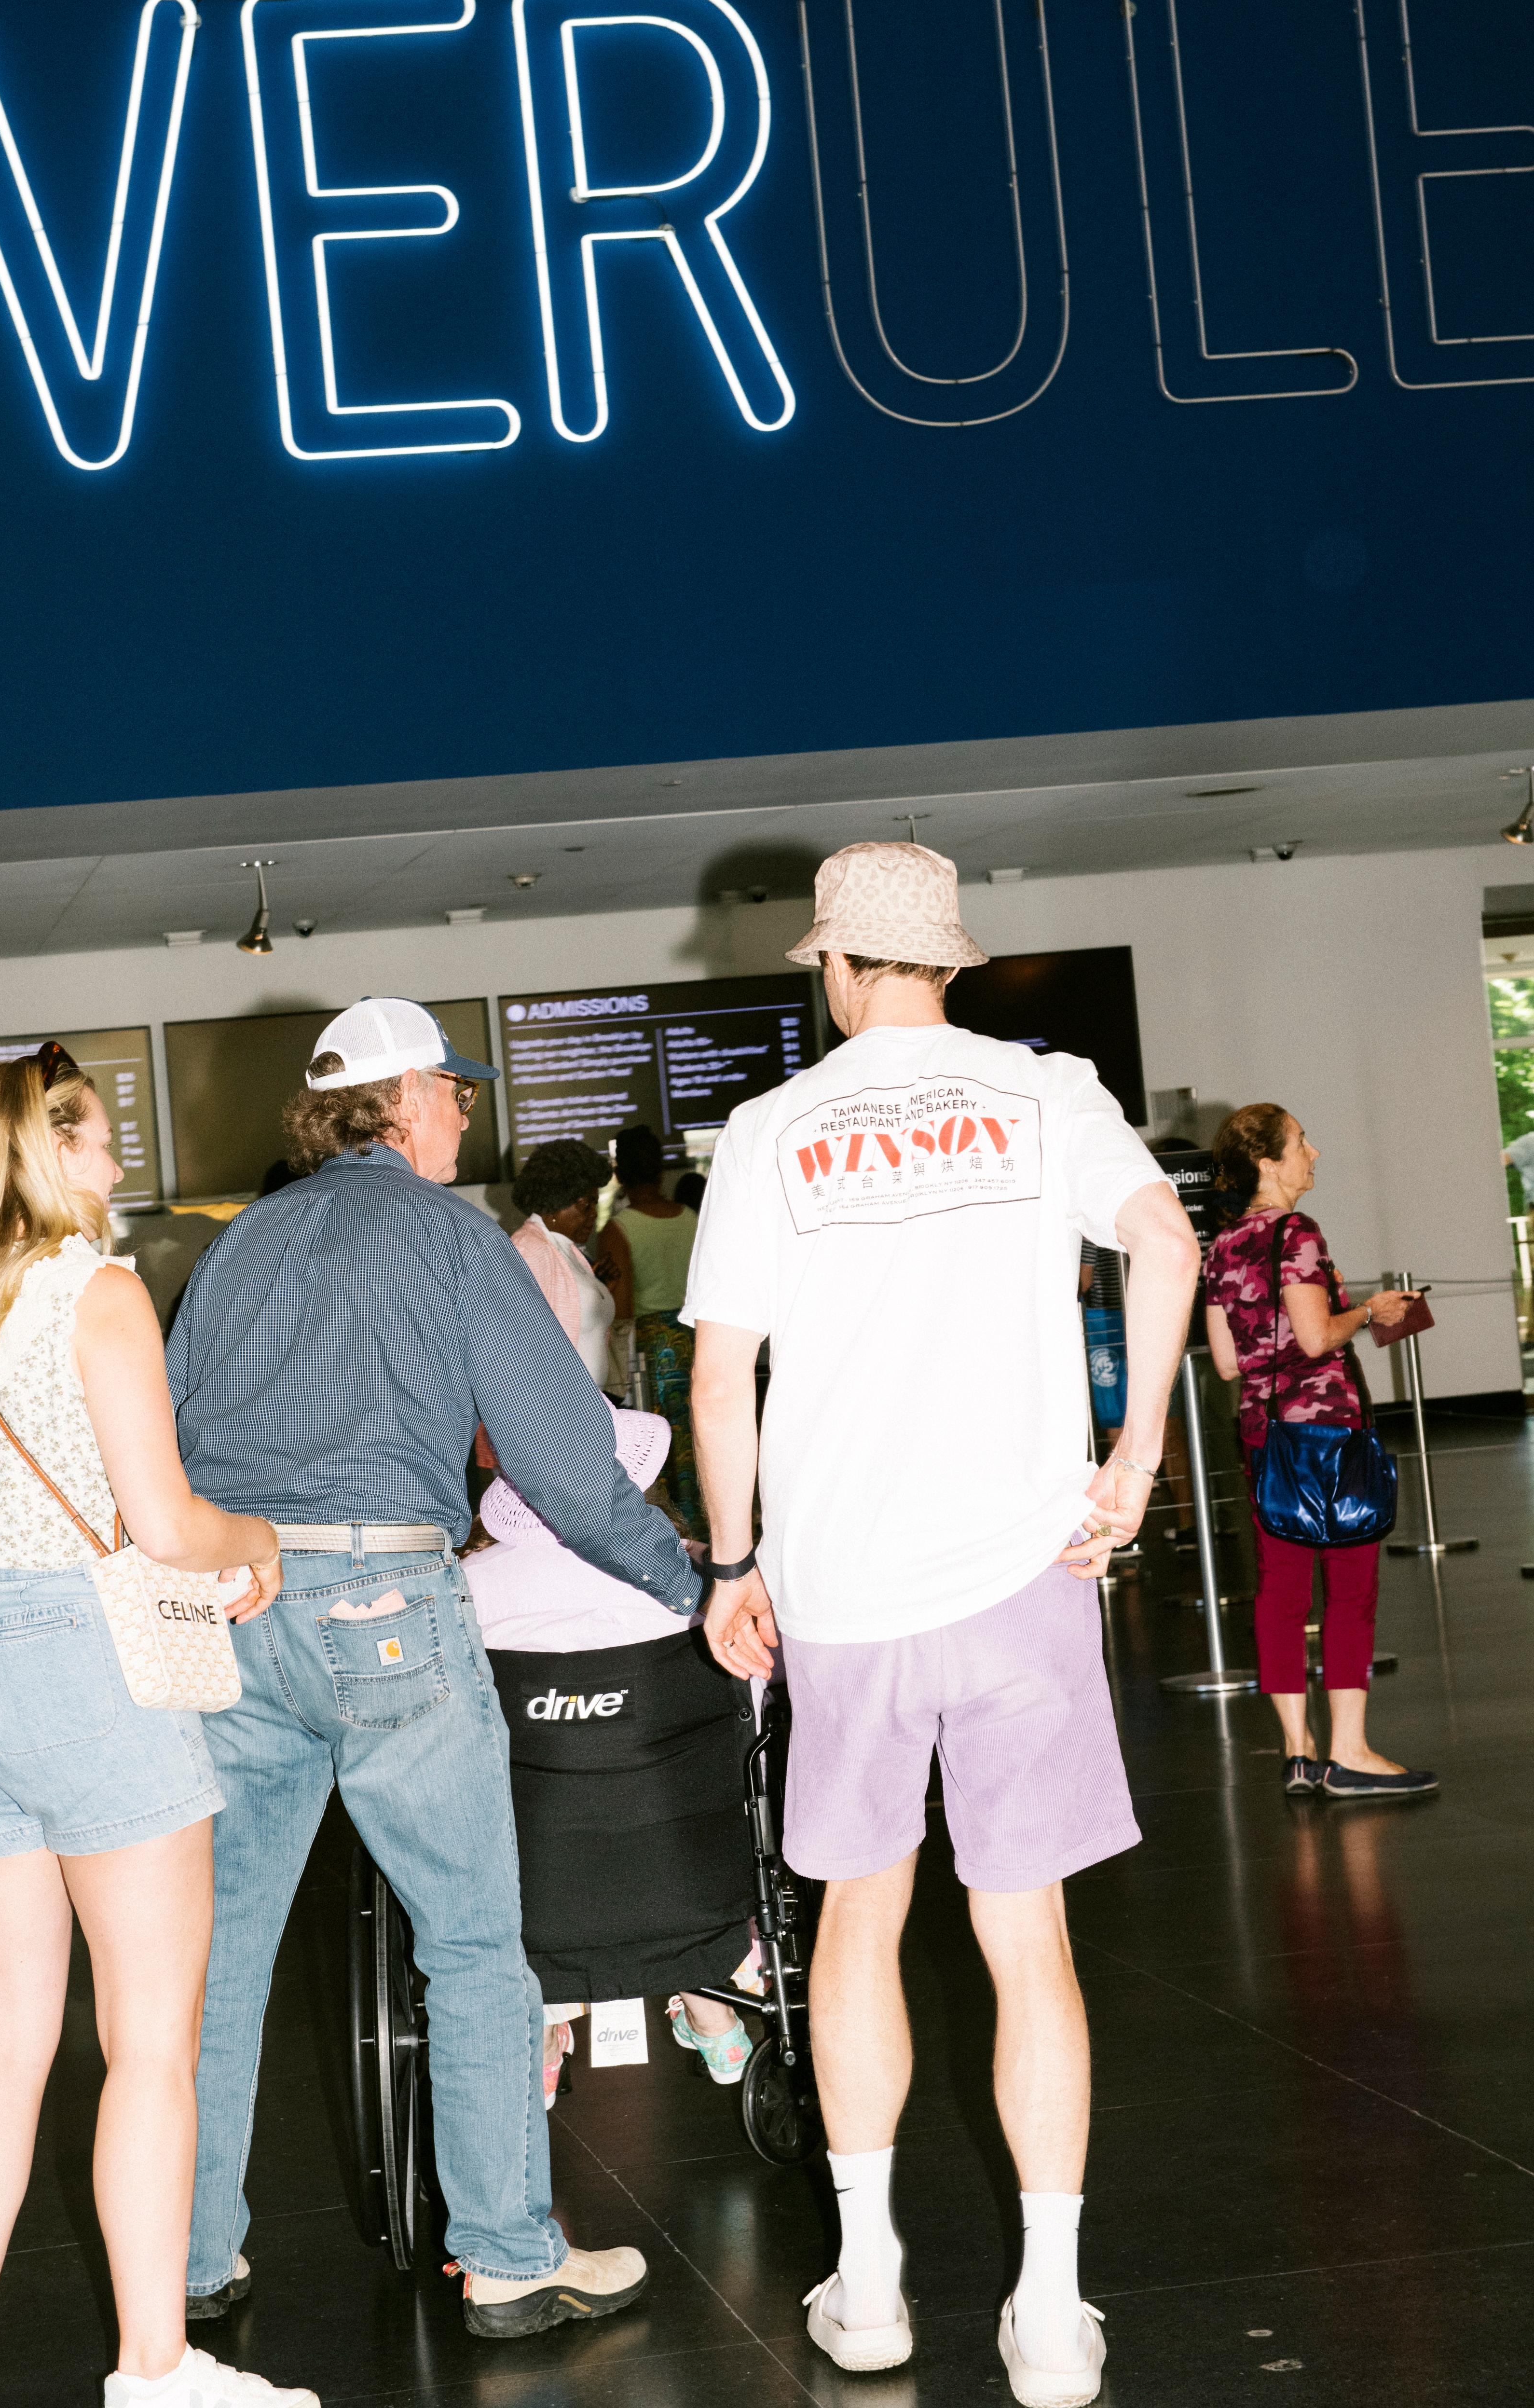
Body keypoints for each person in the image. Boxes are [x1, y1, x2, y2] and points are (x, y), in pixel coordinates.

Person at [688, 841, 1200, 2407]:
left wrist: (731, 1562)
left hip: (846, 1590)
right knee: (1024, 1935)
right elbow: (1165, 1241)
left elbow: (721, 1374)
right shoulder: (1046, 1092)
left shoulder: (774, 1130)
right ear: (954, 965)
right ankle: (1049, 2314)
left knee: (857, 1924)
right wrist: (1135, 1453)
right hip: (1024, 1571)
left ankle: (872, 2281)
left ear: (837, 968)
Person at [166, 997, 698, 2342]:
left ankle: (186, 2258)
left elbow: (167, 1437)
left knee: (218, 1954)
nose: (469, 1111)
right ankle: (512, 2257)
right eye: (454, 1091)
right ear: (400, 1102)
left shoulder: (240, 1247)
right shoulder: (447, 1232)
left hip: (234, 1603)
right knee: (469, 1938)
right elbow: (566, 1463)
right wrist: (693, 1587)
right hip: (384, 1596)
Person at [0, 1043, 304, 2408]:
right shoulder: (100, 1291)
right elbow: (172, 1524)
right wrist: (262, 1544)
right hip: (77, 1657)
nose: (118, 1163)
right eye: (95, 1139)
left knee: (3, 2038)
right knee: (148, 2042)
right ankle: (154, 2368)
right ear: (44, 1152)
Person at [462, 1408, 755, 2103]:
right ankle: (710, 1996)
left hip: (530, 1897)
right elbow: (755, 1715)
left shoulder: (468, 1591)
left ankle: (545, 2023)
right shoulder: (701, 1589)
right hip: (697, 1883)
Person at [1204, 1104, 1438, 1802]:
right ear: (1270, 1162)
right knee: (1351, 1589)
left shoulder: (1221, 1246)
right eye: (1303, 1143)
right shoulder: (1298, 1232)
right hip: (1328, 1433)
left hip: (1264, 1435)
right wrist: (1370, 1312)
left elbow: (1224, 1364)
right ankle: (1351, 1751)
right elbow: (1313, 1339)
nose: (1316, 1152)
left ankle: (1299, 1752)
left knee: (1280, 1590)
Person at [598, 1127, 701, 1528]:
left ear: (619, 1172)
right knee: (697, 1441)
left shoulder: (619, 1229)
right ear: (661, 1169)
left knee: (659, 1449)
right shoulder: (691, 1218)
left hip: (652, 1350)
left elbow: (621, 1307)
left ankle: (676, 1535)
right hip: (694, 1341)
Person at [507, 1140, 616, 1390]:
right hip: (555, 1412)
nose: (594, 1214)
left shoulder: (567, 1249)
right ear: (556, 1201)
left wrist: (601, 1288)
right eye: (585, 1204)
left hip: (587, 1406)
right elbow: (519, 1346)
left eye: (596, 1204)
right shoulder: (530, 1250)